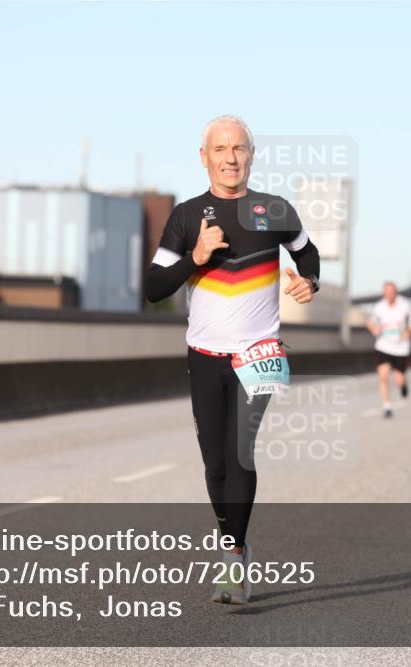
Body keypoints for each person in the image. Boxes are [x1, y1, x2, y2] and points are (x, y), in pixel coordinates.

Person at [145, 115, 320, 604]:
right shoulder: (185, 217)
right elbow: (154, 289)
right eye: (219, 149)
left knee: (240, 450)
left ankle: (234, 558)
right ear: (203, 157)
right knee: (215, 464)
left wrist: (310, 281)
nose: (230, 157)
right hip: (204, 355)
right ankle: (231, 546)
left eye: (238, 148)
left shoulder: (274, 209)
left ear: (251, 155)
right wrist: (195, 258)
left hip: (259, 351)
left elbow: (308, 255)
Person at [368, 281, 411, 418]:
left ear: (395, 293)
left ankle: (403, 386)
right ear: (384, 294)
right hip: (383, 346)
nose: (389, 294)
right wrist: (375, 329)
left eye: (392, 292)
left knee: (399, 379)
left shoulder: (405, 304)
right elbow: (370, 323)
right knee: (383, 376)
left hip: (401, 348)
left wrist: (409, 331)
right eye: (387, 292)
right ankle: (387, 407)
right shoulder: (379, 307)